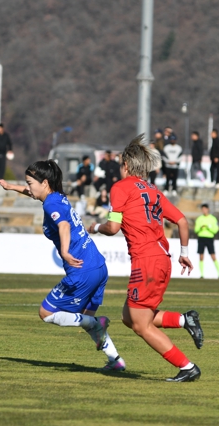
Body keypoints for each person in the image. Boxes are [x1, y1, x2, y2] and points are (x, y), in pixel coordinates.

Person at [88, 134, 204, 383]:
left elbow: (113, 228)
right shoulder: (153, 191)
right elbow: (182, 221)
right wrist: (184, 254)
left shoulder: (120, 187)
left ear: (126, 165)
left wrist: (95, 227)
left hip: (146, 260)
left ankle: (187, 367)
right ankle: (184, 319)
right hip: (162, 259)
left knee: (141, 325)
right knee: (129, 317)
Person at [0, 160, 125, 371]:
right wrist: (11, 187)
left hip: (81, 270)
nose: (28, 187)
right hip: (98, 266)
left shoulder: (50, 204)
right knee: (85, 319)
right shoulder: (58, 197)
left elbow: (63, 226)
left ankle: (98, 326)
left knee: (46, 312)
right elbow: (34, 193)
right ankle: (115, 360)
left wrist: (64, 252)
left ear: (45, 183)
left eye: (29, 183)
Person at [194, 203, 219, 279]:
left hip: (209, 238)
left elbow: (215, 230)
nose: (204, 210)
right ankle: (202, 275)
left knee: (213, 256)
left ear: (208, 209)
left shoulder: (213, 219)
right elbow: (196, 230)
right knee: (201, 256)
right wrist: (201, 227)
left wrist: (208, 227)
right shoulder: (199, 219)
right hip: (201, 238)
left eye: (205, 209)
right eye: (202, 209)